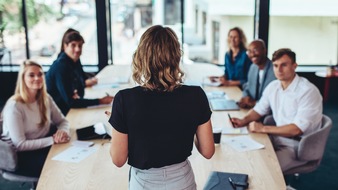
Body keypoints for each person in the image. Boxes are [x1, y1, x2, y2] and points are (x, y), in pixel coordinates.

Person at [108, 25, 215, 190]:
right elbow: (208, 151)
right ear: (176, 56)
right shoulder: (196, 95)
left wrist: (118, 123)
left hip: (144, 184)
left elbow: (118, 159)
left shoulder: (124, 99)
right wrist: (190, 122)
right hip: (183, 182)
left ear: (141, 56)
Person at [231, 48, 323, 172]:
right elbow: (259, 109)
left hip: (297, 146)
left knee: (263, 171)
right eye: (275, 65)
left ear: (294, 66)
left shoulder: (308, 91)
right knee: (245, 159)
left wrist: (263, 128)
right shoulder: (273, 86)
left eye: (284, 65)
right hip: (275, 138)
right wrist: (243, 120)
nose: (279, 70)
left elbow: (296, 129)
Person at [1, 60, 70, 177]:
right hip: (20, 156)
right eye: (31, 75)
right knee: (59, 168)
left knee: (68, 155)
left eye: (40, 74)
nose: (37, 78)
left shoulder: (46, 98)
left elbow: (63, 121)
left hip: (41, 144)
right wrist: (53, 140)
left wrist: (62, 131)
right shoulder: (15, 106)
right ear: (23, 79)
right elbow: (20, 144)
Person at [46, 29, 113, 115]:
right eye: (73, 45)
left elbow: (81, 83)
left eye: (80, 46)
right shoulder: (61, 66)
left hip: (69, 108)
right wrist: (101, 101)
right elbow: (71, 102)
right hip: (60, 113)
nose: (77, 49)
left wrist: (76, 91)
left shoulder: (74, 60)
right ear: (65, 46)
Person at [237, 39, 276, 108]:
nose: (252, 54)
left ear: (264, 50)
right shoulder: (253, 67)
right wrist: (246, 97)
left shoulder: (275, 70)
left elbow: (275, 98)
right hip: (252, 109)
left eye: (255, 50)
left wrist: (254, 103)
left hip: (267, 111)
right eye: (249, 51)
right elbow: (247, 87)